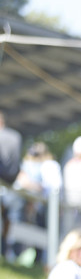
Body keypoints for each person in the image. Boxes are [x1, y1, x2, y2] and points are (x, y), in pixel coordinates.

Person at [0, 111, 23, 258]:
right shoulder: (16, 136)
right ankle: (6, 252)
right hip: (11, 185)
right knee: (9, 220)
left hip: (2, 182)